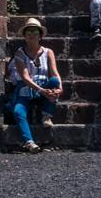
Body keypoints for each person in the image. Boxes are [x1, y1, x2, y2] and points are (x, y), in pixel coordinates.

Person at [4, 19, 60, 151]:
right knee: (18, 111)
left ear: (40, 35)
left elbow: (55, 73)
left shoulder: (48, 52)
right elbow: (24, 76)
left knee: (54, 82)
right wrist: (41, 90)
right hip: (26, 89)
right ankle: (29, 142)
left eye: (35, 31)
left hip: (43, 89)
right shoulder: (19, 53)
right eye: (28, 31)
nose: (31, 34)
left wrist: (60, 89)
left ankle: (46, 114)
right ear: (24, 35)